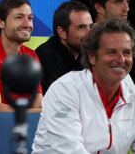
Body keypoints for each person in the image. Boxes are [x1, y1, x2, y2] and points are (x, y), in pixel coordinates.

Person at [32, 19, 135, 153]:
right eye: (111, 52)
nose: (121, 59)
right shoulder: (64, 90)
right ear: (92, 57)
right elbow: (69, 150)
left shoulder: (130, 89)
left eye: (127, 52)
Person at [0, 0, 43, 112]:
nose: (27, 24)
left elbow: (38, 104)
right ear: (0, 22)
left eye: (30, 18)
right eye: (19, 17)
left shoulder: (31, 55)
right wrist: (43, 113)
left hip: (28, 125)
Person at [35, 1, 93, 94]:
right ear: (62, 32)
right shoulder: (45, 56)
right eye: (81, 28)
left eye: (91, 26)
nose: (90, 33)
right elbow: (57, 98)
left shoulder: (87, 53)